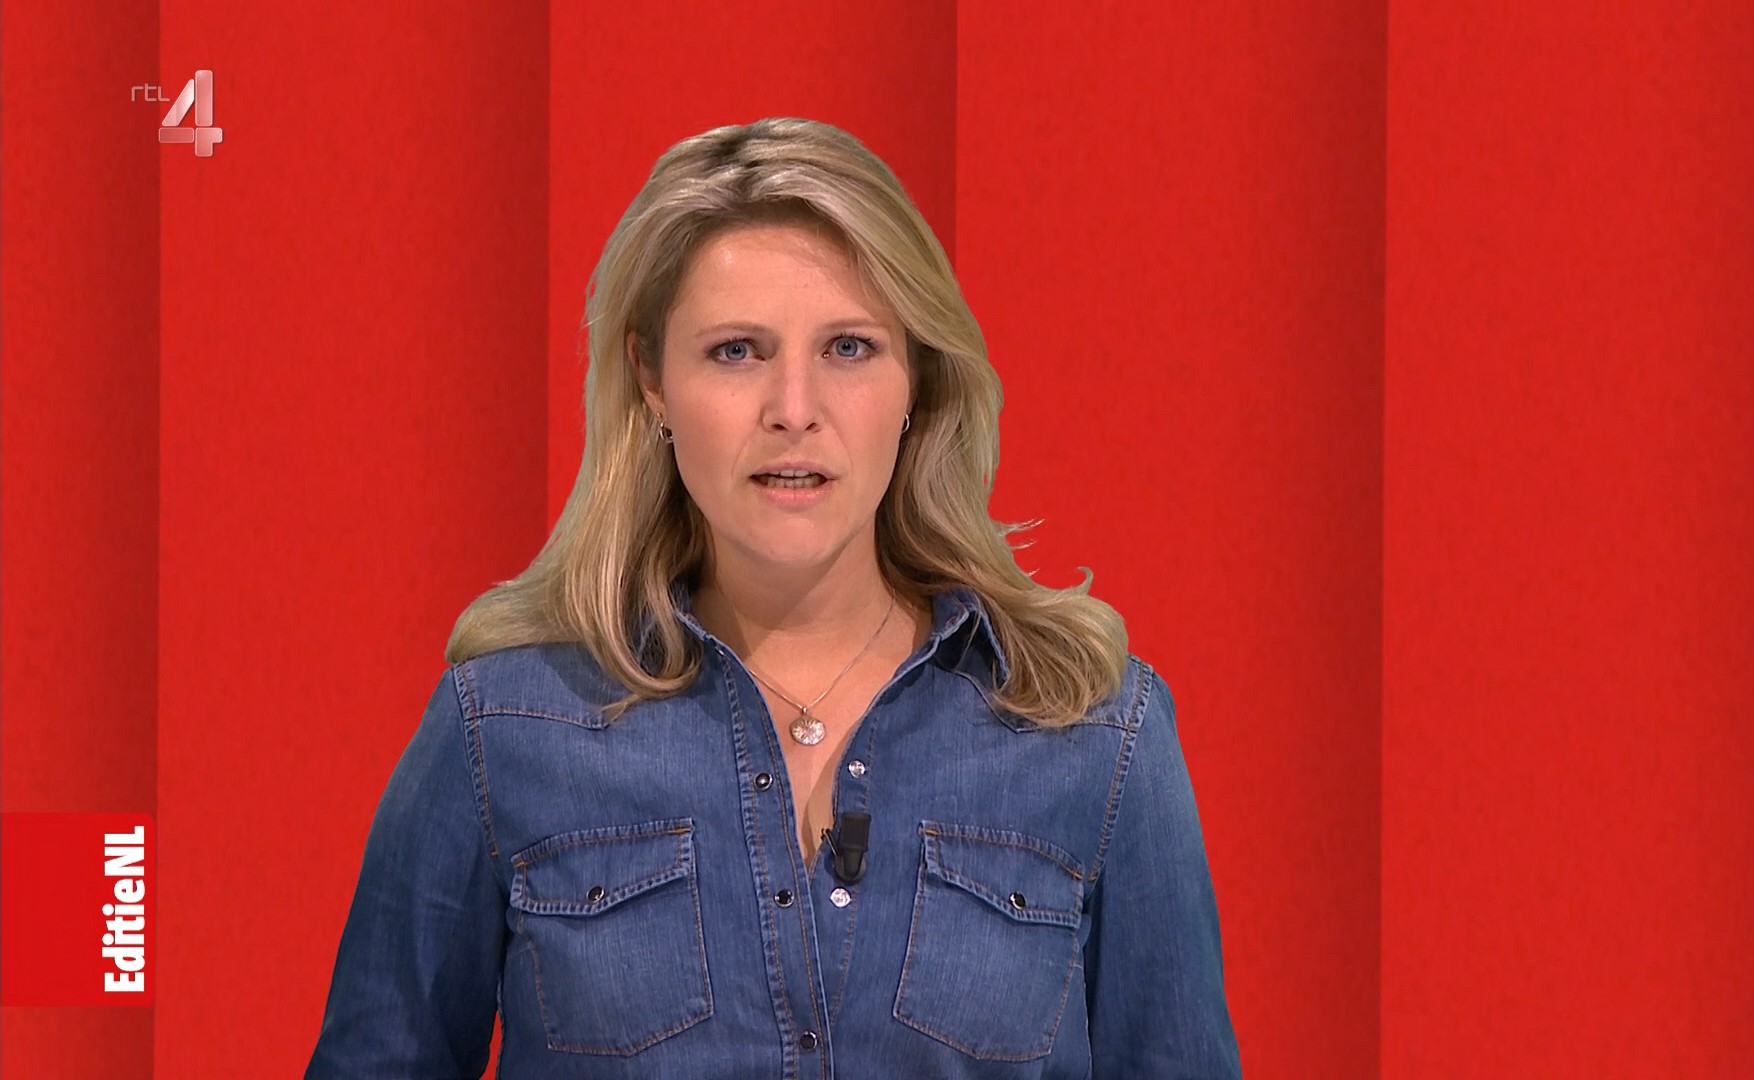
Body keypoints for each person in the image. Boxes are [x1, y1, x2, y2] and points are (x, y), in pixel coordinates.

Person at [303, 116, 1240, 1079]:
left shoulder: (1096, 729)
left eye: (849, 347)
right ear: (651, 379)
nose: (795, 409)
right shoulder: (503, 726)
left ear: (916, 380)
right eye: (737, 351)